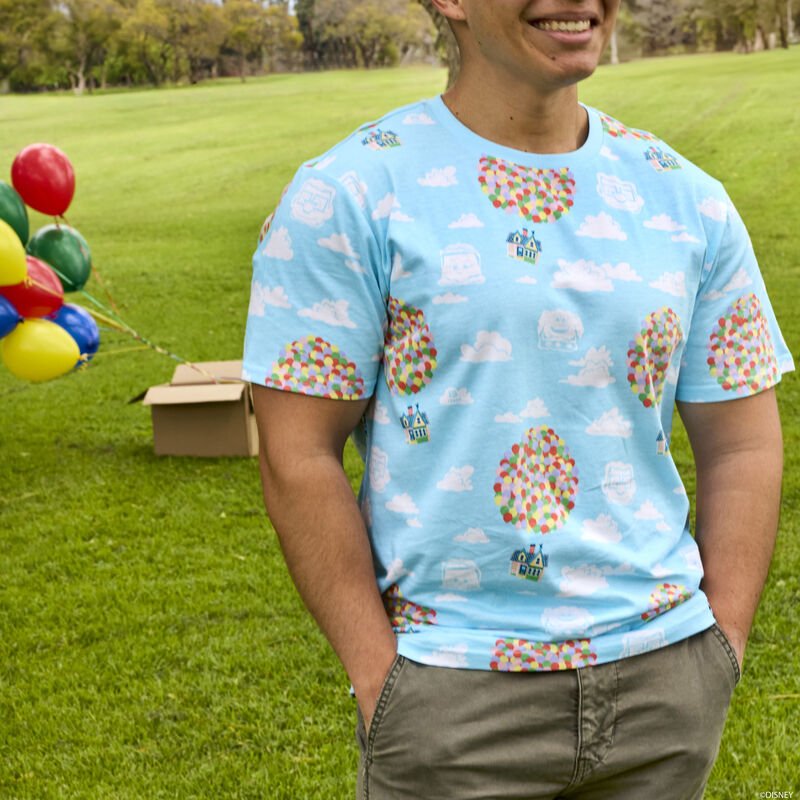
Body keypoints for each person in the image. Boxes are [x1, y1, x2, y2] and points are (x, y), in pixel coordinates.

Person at [242, 1, 793, 797]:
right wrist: (381, 678)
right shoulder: (349, 195)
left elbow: (742, 440)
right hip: (452, 698)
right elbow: (298, 452)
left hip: (664, 687)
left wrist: (719, 647)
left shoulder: (686, 198)